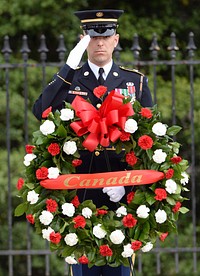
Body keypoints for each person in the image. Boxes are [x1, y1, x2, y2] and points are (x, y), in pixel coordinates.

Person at [33, 9, 153, 276]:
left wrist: (127, 182)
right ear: (83, 40)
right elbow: (40, 110)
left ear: (116, 40)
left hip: (123, 200)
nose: (99, 42)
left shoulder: (135, 82)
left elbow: (151, 143)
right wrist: (67, 67)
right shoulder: (70, 80)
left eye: (106, 35)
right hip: (79, 196)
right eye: (92, 36)